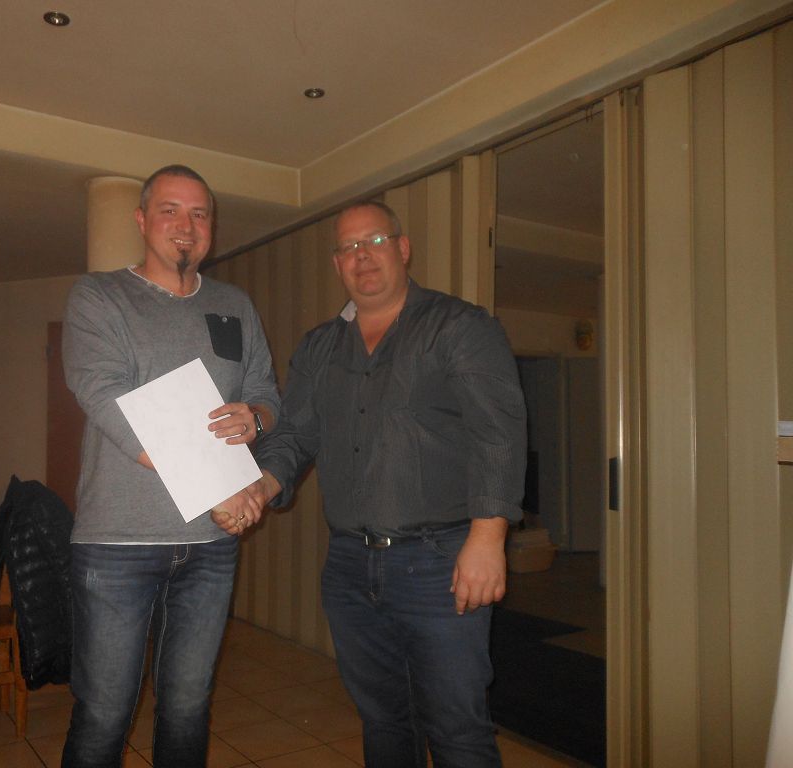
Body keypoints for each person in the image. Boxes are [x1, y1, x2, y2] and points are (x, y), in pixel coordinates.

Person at [217, 200, 527, 767]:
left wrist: (488, 538)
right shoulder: (319, 346)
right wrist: (258, 488)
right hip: (349, 568)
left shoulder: (460, 326)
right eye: (349, 248)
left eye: (375, 241)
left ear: (403, 249)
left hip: (440, 563)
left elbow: (497, 433)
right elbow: (296, 436)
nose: (362, 256)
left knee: (457, 729)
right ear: (337, 264)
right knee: (384, 721)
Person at [60, 164, 280, 768]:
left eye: (199, 213)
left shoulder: (234, 305)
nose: (186, 225)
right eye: (170, 210)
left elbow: (266, 392)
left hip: (212, 544)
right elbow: (105, 395)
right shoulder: (99, 296)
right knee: (105, 712)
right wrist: (213, 483)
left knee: (187, 706)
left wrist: (256, 419)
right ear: (141, 220)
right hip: (118, 543)